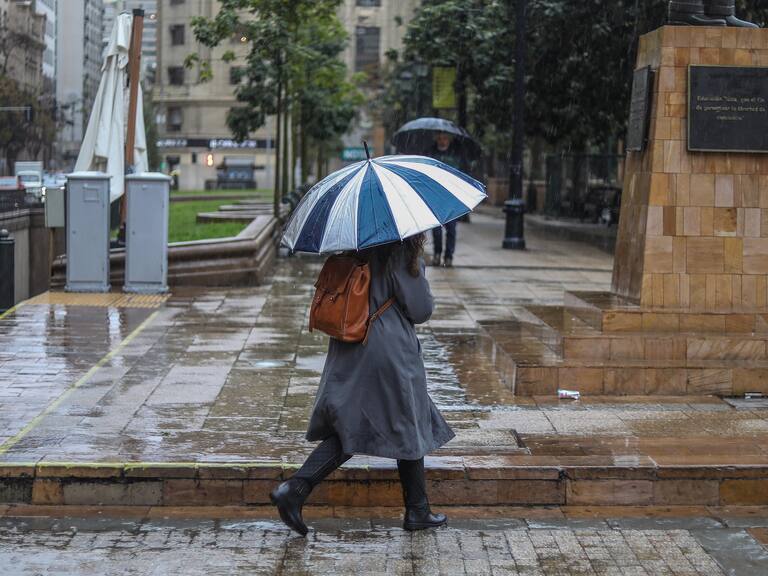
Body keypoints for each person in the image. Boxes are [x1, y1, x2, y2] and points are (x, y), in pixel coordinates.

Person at [270, 234, 455, 536]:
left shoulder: (356, 248)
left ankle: (418, 509)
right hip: (386, 350)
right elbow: (421, 309)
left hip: (351, 346)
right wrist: (419, 272)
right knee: (387, 420)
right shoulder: (400, 251)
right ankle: (296, 488)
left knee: (387, 420)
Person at [429, 132, 462, 267]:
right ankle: (437, 253)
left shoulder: (455, 155)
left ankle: (448, 256)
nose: (443, 141)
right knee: (436, 229)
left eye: (445, 138)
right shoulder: (431, 154)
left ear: (448, 140)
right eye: (440, 138)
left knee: (451, 229)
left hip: (451, 197)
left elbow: (459, 174)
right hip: (436, 197)